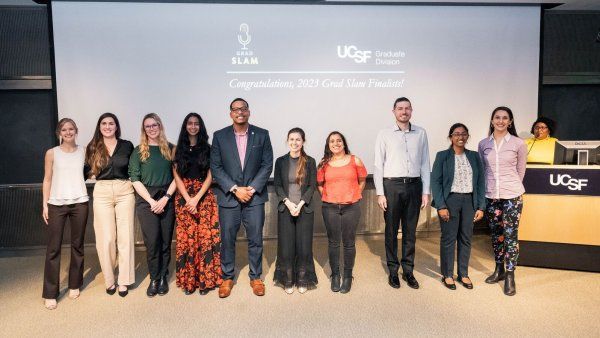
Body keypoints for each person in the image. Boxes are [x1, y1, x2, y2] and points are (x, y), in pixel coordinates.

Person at [210, 98, 273, 298]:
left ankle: (256, 277)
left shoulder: (262, 134)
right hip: (229, 197)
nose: (240, 112)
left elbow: (266, 164)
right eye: (235, 109)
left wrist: (252, 189)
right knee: (227, 239)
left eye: (243, 108)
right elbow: (216, 167)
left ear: (248, 112)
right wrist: (235, 189)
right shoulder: (219, 136)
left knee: (255, 238)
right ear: (230, 113)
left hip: (254, 198)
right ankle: (227, 277)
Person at [374, 97, 430, 290]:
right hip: (392, 187)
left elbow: (424, 163)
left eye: (407, 108)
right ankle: (392, 270)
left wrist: (426, 191)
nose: (403, 111)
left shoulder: (421, 133)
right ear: (394, 111)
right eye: (400, 108)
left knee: (410, 231)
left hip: (414, 186)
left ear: (411, 111)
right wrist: (380, 193)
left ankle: (408, 270)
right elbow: (378, 165)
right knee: (391, 231)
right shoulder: (384, 134)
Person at [478, 106, 527, 296]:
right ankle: (498, 269)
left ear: (510, 121)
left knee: (510, 235)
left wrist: (511, 188)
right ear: (492, 121)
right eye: (497, 117)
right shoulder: (483, 144)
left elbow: (521, 171)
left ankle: (510, 275)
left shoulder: (518, 143)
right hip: (491, 195)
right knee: (496, 234)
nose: (500, 121)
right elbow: (483, 171)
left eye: (504, 118)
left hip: (512, 196)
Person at [41, 118, 89, 310]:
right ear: (59, 132)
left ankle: (75, 284)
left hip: (80, 203)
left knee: (77, 245)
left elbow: (90, 172)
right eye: (64, 129)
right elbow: (47, 179)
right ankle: (50, 293)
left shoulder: (84, 151)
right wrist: (45, 205)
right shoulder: (51, 153)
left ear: (76, 131)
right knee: (53, 248)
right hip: (56, 204)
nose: (68, 132)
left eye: (71, 129)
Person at [86, 113, 135, 297]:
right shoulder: (92, 147)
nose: (107, 126)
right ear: (99, 127)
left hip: (124, 190)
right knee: (106, 239)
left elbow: (133, 168)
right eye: (104, 123)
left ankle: (124, 280)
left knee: (125, 237)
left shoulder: (127, 145)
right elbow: (85, 171)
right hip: (103, 191)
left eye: (111, 123)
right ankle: (110, 280)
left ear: (116, 126)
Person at [431, 123, 485, 290]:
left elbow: (480, 182)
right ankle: (447, 274)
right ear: (450, 137)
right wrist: (440, 205)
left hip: (470, 201)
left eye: (463, 134)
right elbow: (436, 182)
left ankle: (463, 273)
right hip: (450, 201)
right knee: (449, 238)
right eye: (456, 134)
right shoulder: (442, 156)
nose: (460, 137)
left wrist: (481, 206)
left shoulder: (475, 156)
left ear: (467, 136)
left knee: (466, 238)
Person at [172, 113, 222, 295]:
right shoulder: (177, 149)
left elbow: (210, 175)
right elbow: (176, 176)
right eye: (190, 123)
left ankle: (205, 281)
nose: (193, 126)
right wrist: (187, 198)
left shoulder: (208, 149)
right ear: (185, 126)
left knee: (204, 240)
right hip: (184, 199)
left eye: (196, 124)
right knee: (188, 241)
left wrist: (197, 198)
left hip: (204, 198)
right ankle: (190, 282)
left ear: (200, 127)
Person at [129, 113, 176, 297]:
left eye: (155, 125)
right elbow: (135, 178)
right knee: (152, 241)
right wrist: (151, 201)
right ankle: (154, 278)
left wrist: (165, 198)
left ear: (160, 126)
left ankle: (164, 276)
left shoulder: (171, 149)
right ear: (144, 129)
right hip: (146, 199)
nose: (152, 128)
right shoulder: (138, 150)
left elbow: (177, 178)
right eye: (148, 126)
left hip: (167, 197)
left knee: (165, 241)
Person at [317, 131, 367, 294]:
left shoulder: (355, 160)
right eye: (332, 141)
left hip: (351, 207)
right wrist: (328, 196)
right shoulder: (323, 163)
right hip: (330, 207)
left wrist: (355, 195)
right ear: (328, 145)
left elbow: (362, 180)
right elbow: (320, 184)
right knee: (333, 242)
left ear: (344, 143)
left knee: (349, 243)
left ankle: (347, 275)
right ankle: (335, 275)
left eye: (339, 140)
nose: (336, 143)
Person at [273, 128, 318, 294]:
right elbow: (277, 185)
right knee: (286, 246)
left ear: (303, 142)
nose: (294, 142)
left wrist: (299, 204)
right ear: (287, 141)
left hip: (304, 209)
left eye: (298, 139)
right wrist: (288, 203)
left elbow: (312, 185)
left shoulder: (310, 161)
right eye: (291, 139)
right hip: (285, 209)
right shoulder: (280, 161)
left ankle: (303, 279)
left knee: (304, 246)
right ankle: (288, 279)